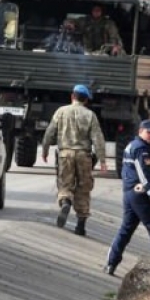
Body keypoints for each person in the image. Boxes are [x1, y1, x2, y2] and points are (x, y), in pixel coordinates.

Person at [104, 119, 150, 275]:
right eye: (149, 132)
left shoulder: (133, 145)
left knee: (125, 229)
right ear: (140, 132)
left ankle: (111, 263)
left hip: (129, 193)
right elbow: (145, 173)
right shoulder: (142, 149)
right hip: (141, 195)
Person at [41, 84, 107, 236]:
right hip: (84, 155)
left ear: (72, 96)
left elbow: (50, 132)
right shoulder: (90, 115)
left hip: (65, 154)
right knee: (84, 188)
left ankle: (66, 202)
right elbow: (98, 139)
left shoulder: (61, 111)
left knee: (65, 183)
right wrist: (102, 160)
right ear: (86, 100)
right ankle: (80, 226)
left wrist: (45, 150)